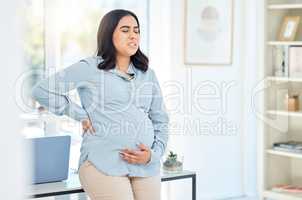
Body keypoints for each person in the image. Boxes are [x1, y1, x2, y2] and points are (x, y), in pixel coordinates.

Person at [32, 9, 169, 200]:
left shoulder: (148, 74)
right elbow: (42, 90)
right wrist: (79, 115)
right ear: (108, 33)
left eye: (136, 30)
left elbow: (161, 120)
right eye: (125, 30)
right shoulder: (89, 68)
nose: (133, 36)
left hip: (145, 166)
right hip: (102, 163)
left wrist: (153, 155)